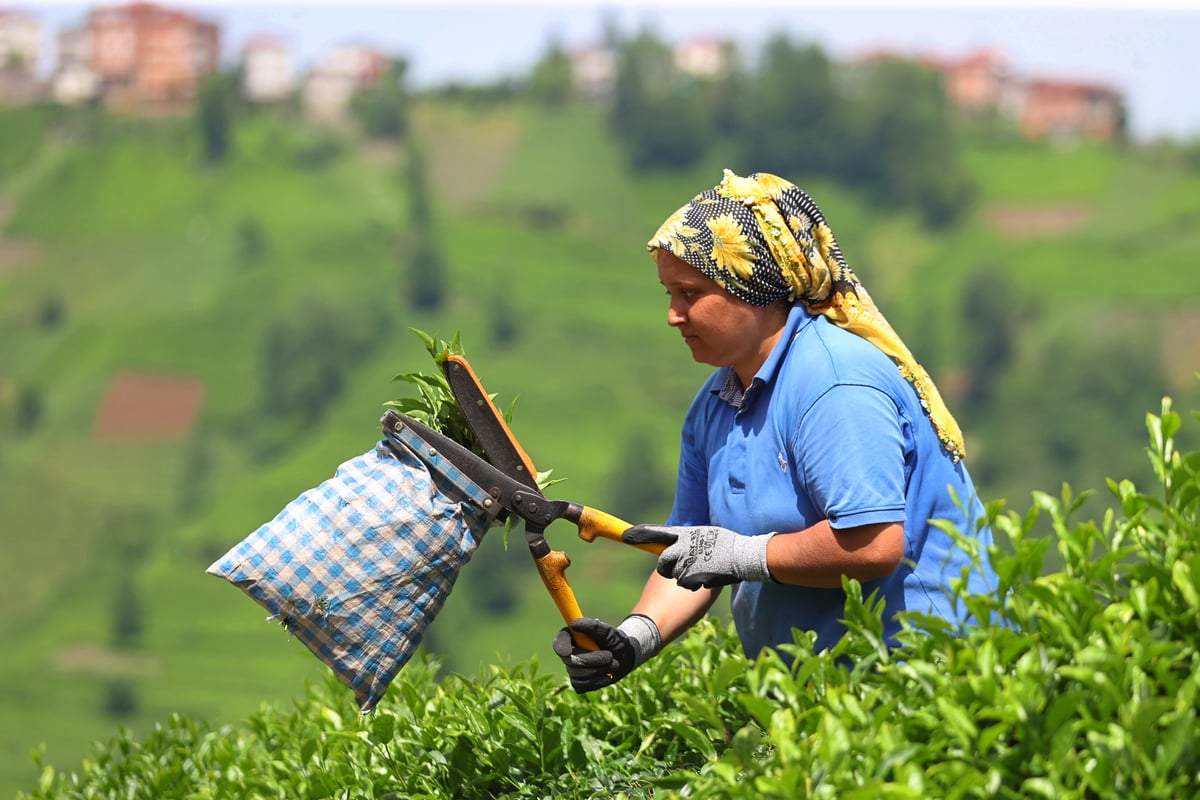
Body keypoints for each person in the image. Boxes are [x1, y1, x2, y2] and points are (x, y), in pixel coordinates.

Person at [553, 169, 998, 693]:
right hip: (819, 696)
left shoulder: (835, 383)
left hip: (923, 680)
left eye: (689, 293)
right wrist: (634, 639)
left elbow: (874, 546)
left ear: (755, 289)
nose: (673, 315)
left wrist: (745, 555)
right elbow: (693, 553)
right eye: (668, 293)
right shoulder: (714, 404)